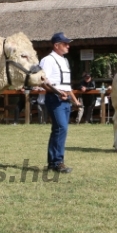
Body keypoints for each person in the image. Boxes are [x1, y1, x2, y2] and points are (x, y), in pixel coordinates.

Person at [39, 32, 78, 173]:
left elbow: (66, 85)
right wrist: (57, 92)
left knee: (60, 130)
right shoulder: (47, 60)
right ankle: (57, 162)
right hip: (55, 98)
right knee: (61, 128)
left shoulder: (64, 60)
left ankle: (53, 162)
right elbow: (43, 81)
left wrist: (73, 99)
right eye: (65, 43)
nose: (68, 46)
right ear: (56, 45)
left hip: (65, 98)